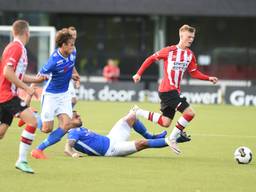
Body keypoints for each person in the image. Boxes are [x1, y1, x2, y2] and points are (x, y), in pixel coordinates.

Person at [133, 24, 218, 155]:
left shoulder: (190, 55)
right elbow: (150, 59)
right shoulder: (170, 51)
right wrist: (138, 74)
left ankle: (138, 111)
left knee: (165, 122)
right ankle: (172, 138)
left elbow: (194, 73)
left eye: (193, 37)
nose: (191, 39)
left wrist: (208, 78)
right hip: (167, 90)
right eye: (189, 36)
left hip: (172, 92)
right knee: (190, 113)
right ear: (181, 35)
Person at [0, 20, 46, 173]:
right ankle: (22, 160)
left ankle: (22, 160)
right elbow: (7, 73)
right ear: (27, 32)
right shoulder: (15, 48)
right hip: (6, 95)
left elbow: (18, 74)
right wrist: (27, 89)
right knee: (33, 120)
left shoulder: (18, 48)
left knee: (1, 133)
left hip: (6, 94)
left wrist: (36, 80)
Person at [30, 28, 80, 159]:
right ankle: (33, 114)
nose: (73, 47)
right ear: (63, 45)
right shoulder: (53, 61)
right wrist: (30, 89)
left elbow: (71, 65)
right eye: (71, 44)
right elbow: (40, 75)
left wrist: (74, 75)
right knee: (47, 129)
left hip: (64, 95)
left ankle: (39, 150)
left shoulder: (72, 52)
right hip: (51, 96)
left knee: (66, 125)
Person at [64, 109, 190, 158]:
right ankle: (176, 139)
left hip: (112, 137)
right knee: (142, 144)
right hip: (111, 150)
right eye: (76, 117)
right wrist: (73, 154)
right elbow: (67, 147)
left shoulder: (80, 129)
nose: (79, 117)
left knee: (132, 116)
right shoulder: (73, 133)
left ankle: (151, 136)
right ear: (69, 121)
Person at [68, 26, 80, 108]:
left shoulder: (74, 48)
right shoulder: (66, 47)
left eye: (75, 34)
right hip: (62, 77)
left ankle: (67, 117)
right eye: (72, 35)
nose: (74, 36)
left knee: (73, 100)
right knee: (73, 100)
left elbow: (71, 65)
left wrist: (77, 77)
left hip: (68, 77)